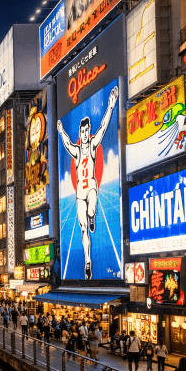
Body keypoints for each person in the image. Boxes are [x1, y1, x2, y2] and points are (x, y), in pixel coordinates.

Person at [57, 85, 119, 279]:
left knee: (92, 210)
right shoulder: (76, 151)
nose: (84, 134)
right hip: (79, 194)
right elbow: (67, 142)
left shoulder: (92, 145)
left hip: (91, 186)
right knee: (83, 229)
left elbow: (103, 127)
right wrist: (60, 131)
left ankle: (93, 216)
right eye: (82, 131)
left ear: (88, 131)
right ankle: (88, 262)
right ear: (80, 132)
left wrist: (110, 106)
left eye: (86, 131)